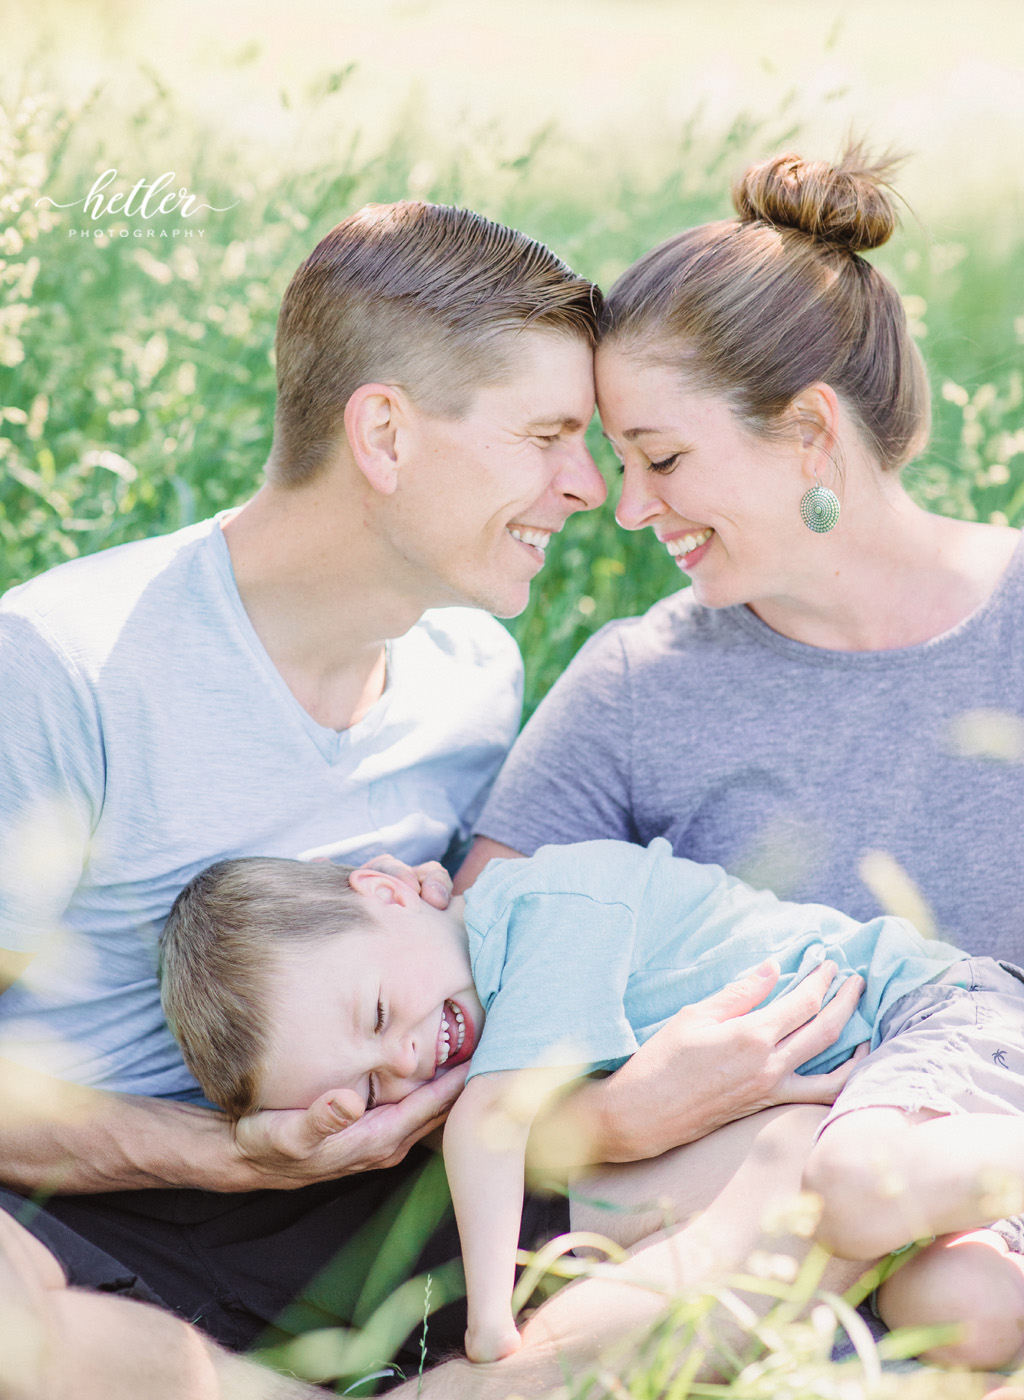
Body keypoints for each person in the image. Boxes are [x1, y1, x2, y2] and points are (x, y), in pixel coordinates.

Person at [0, 197, 864, 1399]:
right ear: (386, 434)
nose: (589, 488)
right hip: (85, 1200)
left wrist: (615, 1105)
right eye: (549, 435)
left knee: (797, 1159)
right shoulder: (63, 665)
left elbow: (475, 981)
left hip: (377, 1188)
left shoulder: (470, 671)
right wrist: (215, 1152)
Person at [454, 147, 1024, 1376]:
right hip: (730, 1214)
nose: (625, 504)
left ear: (810, 431)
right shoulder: (632, 685)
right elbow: (463, 996)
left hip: (962, 1167)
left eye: (661, 456)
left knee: (967, 1300)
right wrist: (612, 1114)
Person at [159, 842, 1024, 1372]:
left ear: (388, 890)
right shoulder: (507, 1007)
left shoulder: (542, 910)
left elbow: (490, 1123)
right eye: (375, 1088)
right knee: (957, 1311)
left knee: (853, 1184)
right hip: (916, 1124)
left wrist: (493, 1324)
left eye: (377, 1015)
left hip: (940, 1017)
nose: (405, 1058)